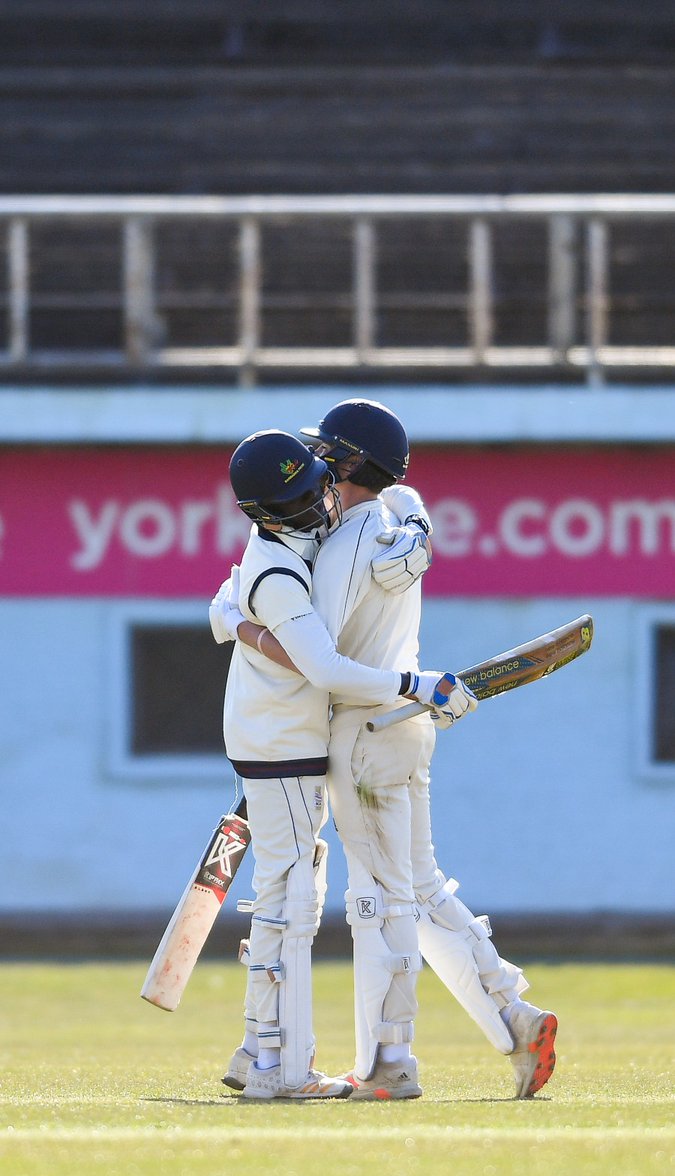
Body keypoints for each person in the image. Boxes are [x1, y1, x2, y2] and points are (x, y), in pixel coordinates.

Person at [216, 400, 557, 1101]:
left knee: (378, 900)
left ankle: (387, 1064)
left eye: (325, 462)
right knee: (421, 888)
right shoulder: (399, 521)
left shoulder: (342, 542)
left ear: (343, 466)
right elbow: (400, 489)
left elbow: (319, 657)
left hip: (362, 728)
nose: (317, 477)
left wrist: (236, 620)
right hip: (408, 728)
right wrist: (420, 521)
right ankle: (513, 1014)